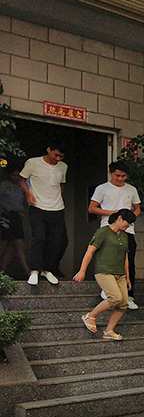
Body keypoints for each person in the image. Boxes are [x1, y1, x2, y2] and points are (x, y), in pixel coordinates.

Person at [73, 209, 136, 340]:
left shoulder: (124, 236)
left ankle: (109, 331)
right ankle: (90, 316)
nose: (128, 225)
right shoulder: (103, 232)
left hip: (120, 274)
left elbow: (125, 258)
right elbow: (90, 251)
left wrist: (128, 277)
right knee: (115, 298)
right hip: (104, 271)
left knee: (123, 303)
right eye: (127, 222)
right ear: (119, 218)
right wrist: (82, 270)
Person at [89, 161, 141, 309]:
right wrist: (113, 213)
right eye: (117, 175)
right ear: (110, 173)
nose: (120, 179)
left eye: (123, 176)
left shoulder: (131, 189)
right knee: (108, 260)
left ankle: (129, 295)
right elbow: (92, 208)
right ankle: (107, 289)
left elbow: (137, 208)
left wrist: (130, 218)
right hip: (108, 229)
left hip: (127, 231)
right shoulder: (102, 188)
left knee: (129, 262)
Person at [20, 140, 68, 285]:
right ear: (48, 149)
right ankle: (34, 270)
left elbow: (61, 185)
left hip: (57, 208)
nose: (58, 159)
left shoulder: (63, 167)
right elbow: (22, 180)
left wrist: (57, 197)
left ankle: (47, 270)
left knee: (55, 241)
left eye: (61, 156)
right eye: (56, 155)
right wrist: (28, 193)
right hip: (38, 206)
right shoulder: (33, 163)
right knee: (39, 237)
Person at [0, 158, 32, 277]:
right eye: (14, 175)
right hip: (6, 216)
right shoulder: (3, 186)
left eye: (18, 175)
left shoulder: (22, 186)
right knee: (19, 243)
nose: (16, 178)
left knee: (11, 247)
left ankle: (2, 272)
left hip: (18, 216)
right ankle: (27, 270)